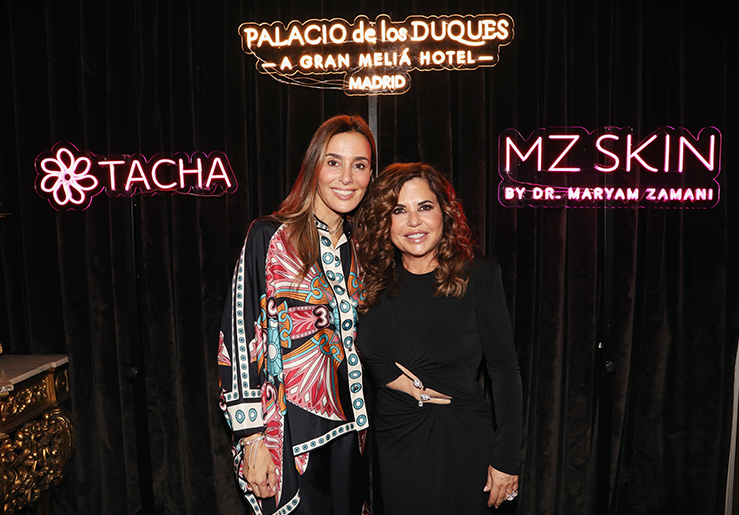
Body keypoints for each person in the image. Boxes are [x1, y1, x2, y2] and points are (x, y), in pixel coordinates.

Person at [217, 115, 376, 515]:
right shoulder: (270, 236)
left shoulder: (364, 248)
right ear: (313, 166)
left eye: (359, 165)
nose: (347, 177)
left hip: (356, 437)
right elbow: (238, 339)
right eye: (334, 162)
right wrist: (251, 438)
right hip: (288, 437)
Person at [354, 162, 523, 513]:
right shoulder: (369, 282)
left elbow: (504, 371)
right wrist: (398, 381)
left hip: (462, 441)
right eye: (399, 210)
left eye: (425, 207)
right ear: (385, 221)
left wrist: (507, 459)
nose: (414, 222)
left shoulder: (479, 275)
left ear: (444, 214)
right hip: (396, 443)